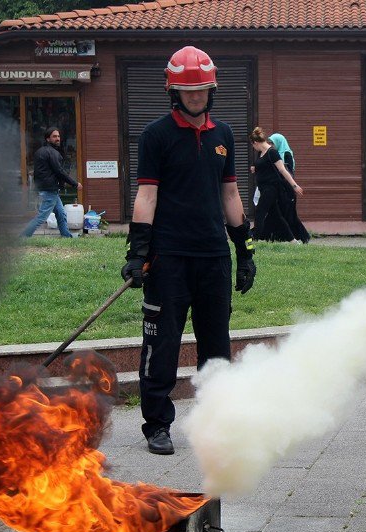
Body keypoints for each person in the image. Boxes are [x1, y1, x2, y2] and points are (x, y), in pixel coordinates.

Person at [121, 46, 257, 455]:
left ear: (212, 90)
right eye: (187, 90)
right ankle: (157, 424)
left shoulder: (224, 135)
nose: (195, 97)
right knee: (162, 344)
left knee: (216, 345)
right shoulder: (155, 135)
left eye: (201, 90)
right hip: (169, 259)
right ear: (173, 91)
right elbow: (147, 196)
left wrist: (244, 251)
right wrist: (137, 252)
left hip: (213, 257)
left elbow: (230, 193)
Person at [21, 127, 82, 238]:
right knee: (42, 217)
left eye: (58, 136)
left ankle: (66, 235)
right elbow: (59, 171)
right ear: (48, 139)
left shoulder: (40, 151)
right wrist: (74, 183)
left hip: (48, 189)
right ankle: (24, 236)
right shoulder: (52, 153)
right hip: (50, 190)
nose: (57, 138)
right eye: (54, 136)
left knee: (61, 213)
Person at [250, 127, 303, 242]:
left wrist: (294, 185)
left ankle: (254, 239)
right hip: (263, 188)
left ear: (256, 142)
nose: (253, 148)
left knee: (259, 212)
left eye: (253, 145)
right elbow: (263, 166)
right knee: (276, 215)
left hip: (271, 188)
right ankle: (292, 240)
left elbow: (283, 170)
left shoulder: (272, 152)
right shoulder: (261, 153)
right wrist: (255, 168)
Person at [269, 132, 310, 243]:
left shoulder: (286, 154)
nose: (271, 145)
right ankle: (284, 238)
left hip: (287, 189)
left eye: (273, 142)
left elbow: (289, 172)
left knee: (290, 215)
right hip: (280, 189)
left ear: (279, 142)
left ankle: (303, 237)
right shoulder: (275, 154)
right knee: (281, 214)